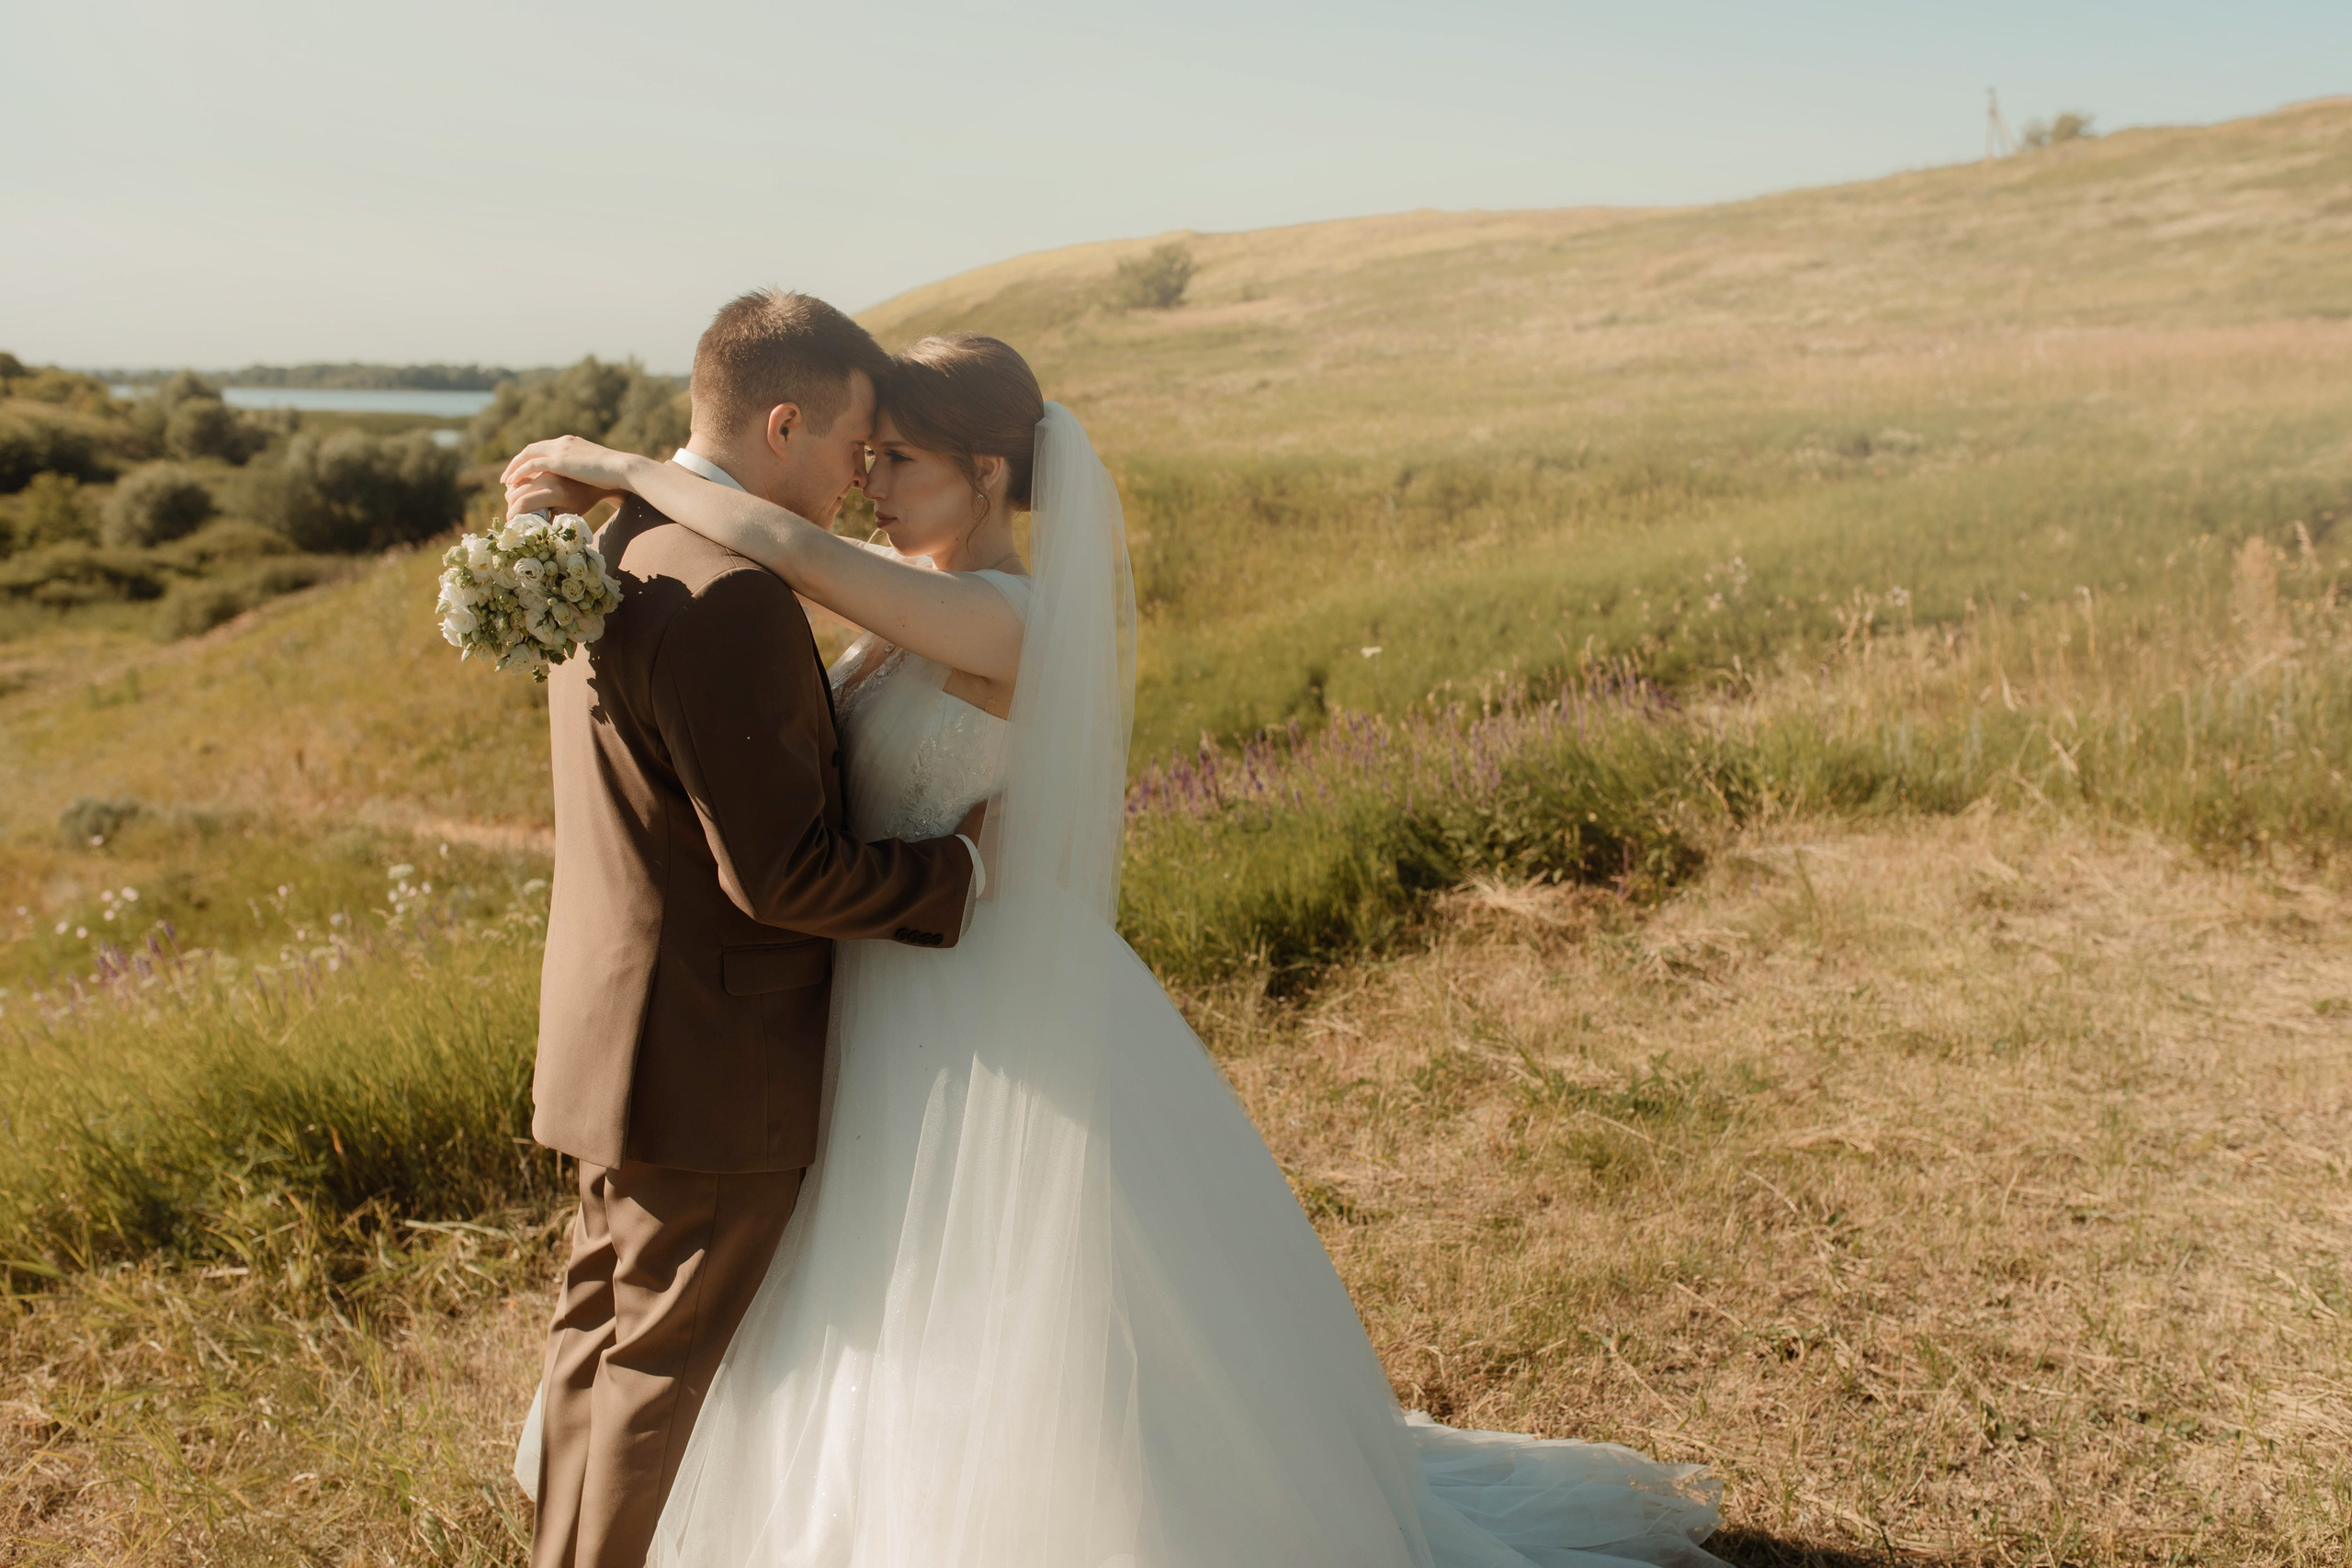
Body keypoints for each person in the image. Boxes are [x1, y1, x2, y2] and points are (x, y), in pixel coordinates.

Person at [504, 329, 1724, 1567]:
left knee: (995, 1293)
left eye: (901, 457)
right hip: (875, 981)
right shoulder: (904, 583)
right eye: (866, 454)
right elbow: (778, 567)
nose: (872, 480)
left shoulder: (1007, 617)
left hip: (969, 991)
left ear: (989, 472)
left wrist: (614, 463)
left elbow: (775, 541)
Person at [520, 290, 983, 1568]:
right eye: (852, 449)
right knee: (655, 1378)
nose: (858, 478)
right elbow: (783, 878)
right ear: (784, 424)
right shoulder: (728, 592)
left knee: (596, 1338)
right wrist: (955, 875)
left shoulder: (614, 546)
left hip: (618, 1031)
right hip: (714, 1062)